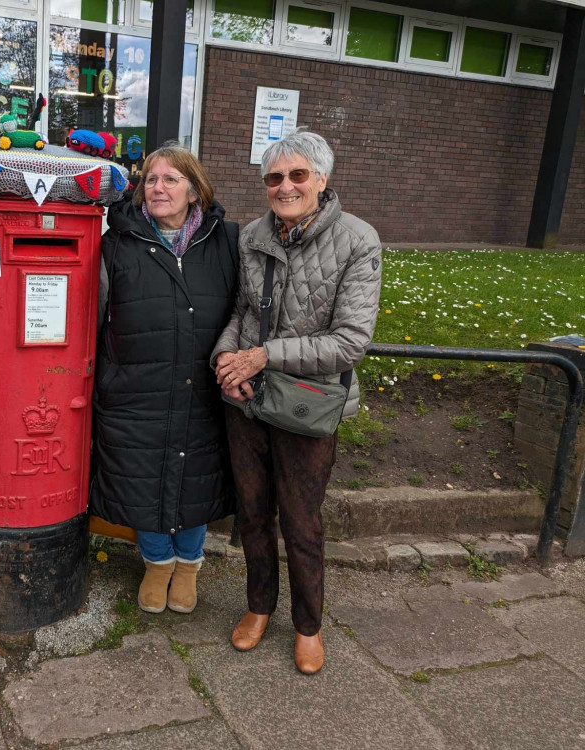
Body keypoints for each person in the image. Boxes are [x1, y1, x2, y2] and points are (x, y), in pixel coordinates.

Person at [212, 129, 382, 674]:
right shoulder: (253, 236)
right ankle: (259, 606)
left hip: (308, 405)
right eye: (274, 178)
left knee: (302, 521)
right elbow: (241, 310)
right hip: (247, 402)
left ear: (322, 180)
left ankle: (308, 625)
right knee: (254, 513)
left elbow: (350, 341)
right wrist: (226, 361)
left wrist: (262, 356)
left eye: (297, 175)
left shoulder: (358, 240)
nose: (285, 187)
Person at [90, 143, 238, 616]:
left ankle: (189, 565)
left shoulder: (227, 242)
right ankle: (157, 563)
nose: (158, 188)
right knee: (142, 476)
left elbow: (245, 308)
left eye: (171, 179)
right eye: (150, 179)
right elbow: (91, 317)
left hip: (202, 387)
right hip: (136, 387)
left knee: (195, 476)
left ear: (194, 190)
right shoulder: (117, 242)